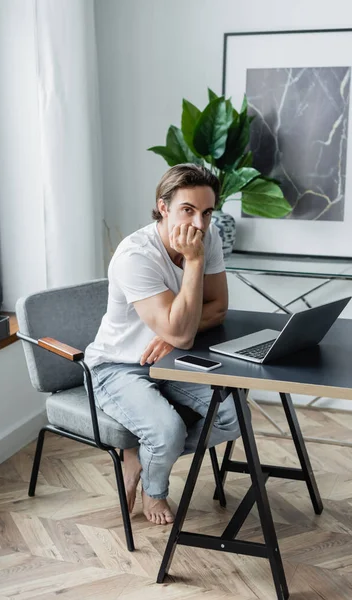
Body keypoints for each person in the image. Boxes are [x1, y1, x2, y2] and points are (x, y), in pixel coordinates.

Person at [84, 163, 242, 525]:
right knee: (167, 431)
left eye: (207, 212)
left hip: (173, 357)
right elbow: (184, 331)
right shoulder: (136, 256)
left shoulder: (208, 236)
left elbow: (217, 309)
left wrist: (171, 335)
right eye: (188, 210)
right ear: (164, 206)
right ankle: (154, 490)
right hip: (118, 366)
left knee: (235, 416)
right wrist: (195, 262)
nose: (199, 225)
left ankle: (142, 452)